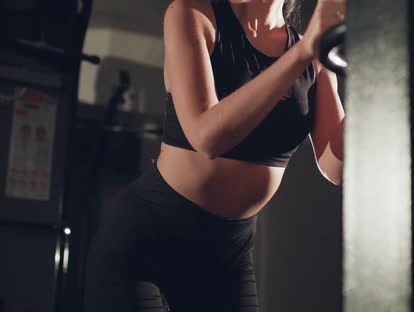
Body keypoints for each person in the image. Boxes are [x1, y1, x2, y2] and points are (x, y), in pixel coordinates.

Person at [83, 0, 346, 311]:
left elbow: (337, 167)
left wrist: (380, 77)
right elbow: (207, 137)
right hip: (144, 243)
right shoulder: (191, 14)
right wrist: (301, 55)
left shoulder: (312, 53)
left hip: (227, 253)